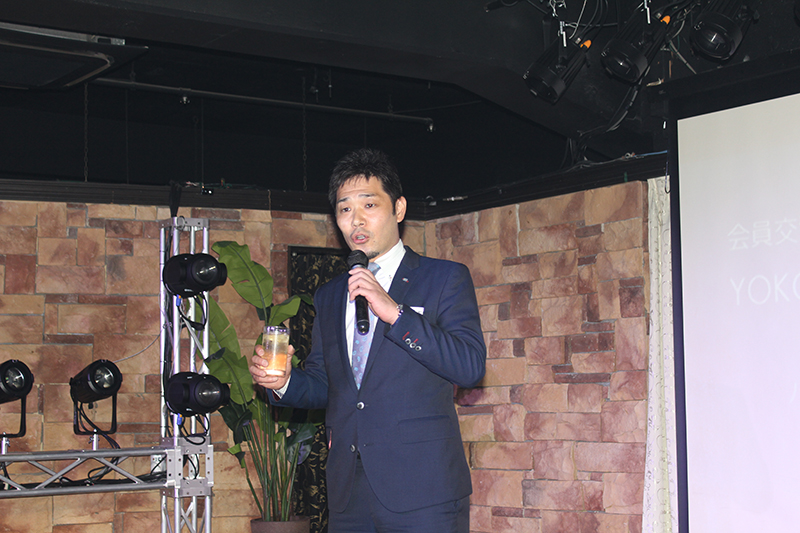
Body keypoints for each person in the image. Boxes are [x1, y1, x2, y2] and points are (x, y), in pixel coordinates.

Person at [250, 148, 486, 532]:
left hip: (423, 491)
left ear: (399, 209)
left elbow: (470, 367)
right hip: (349, 494)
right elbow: (327, 384)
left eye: (369, 205)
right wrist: (284, 382)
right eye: (344, 209)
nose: (355, 220)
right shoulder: (329, 295)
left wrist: (395, 313)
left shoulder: (444, 278)